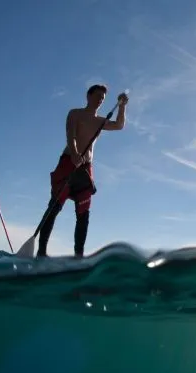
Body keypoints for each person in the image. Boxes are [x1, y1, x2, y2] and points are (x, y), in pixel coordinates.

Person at [36, 84, 129, 258]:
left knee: (83, 214)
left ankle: (78, 256)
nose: (101, 100)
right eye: (98, 96)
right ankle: (41, 252)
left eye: (103, 98)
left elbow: (119, 125)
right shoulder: (75, 113)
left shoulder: (100, 121)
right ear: (88, 96)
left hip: (85, 169)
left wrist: (122, 106)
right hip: (68, 163)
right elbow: (70, 135)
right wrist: (75, 153)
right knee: (54, 207)